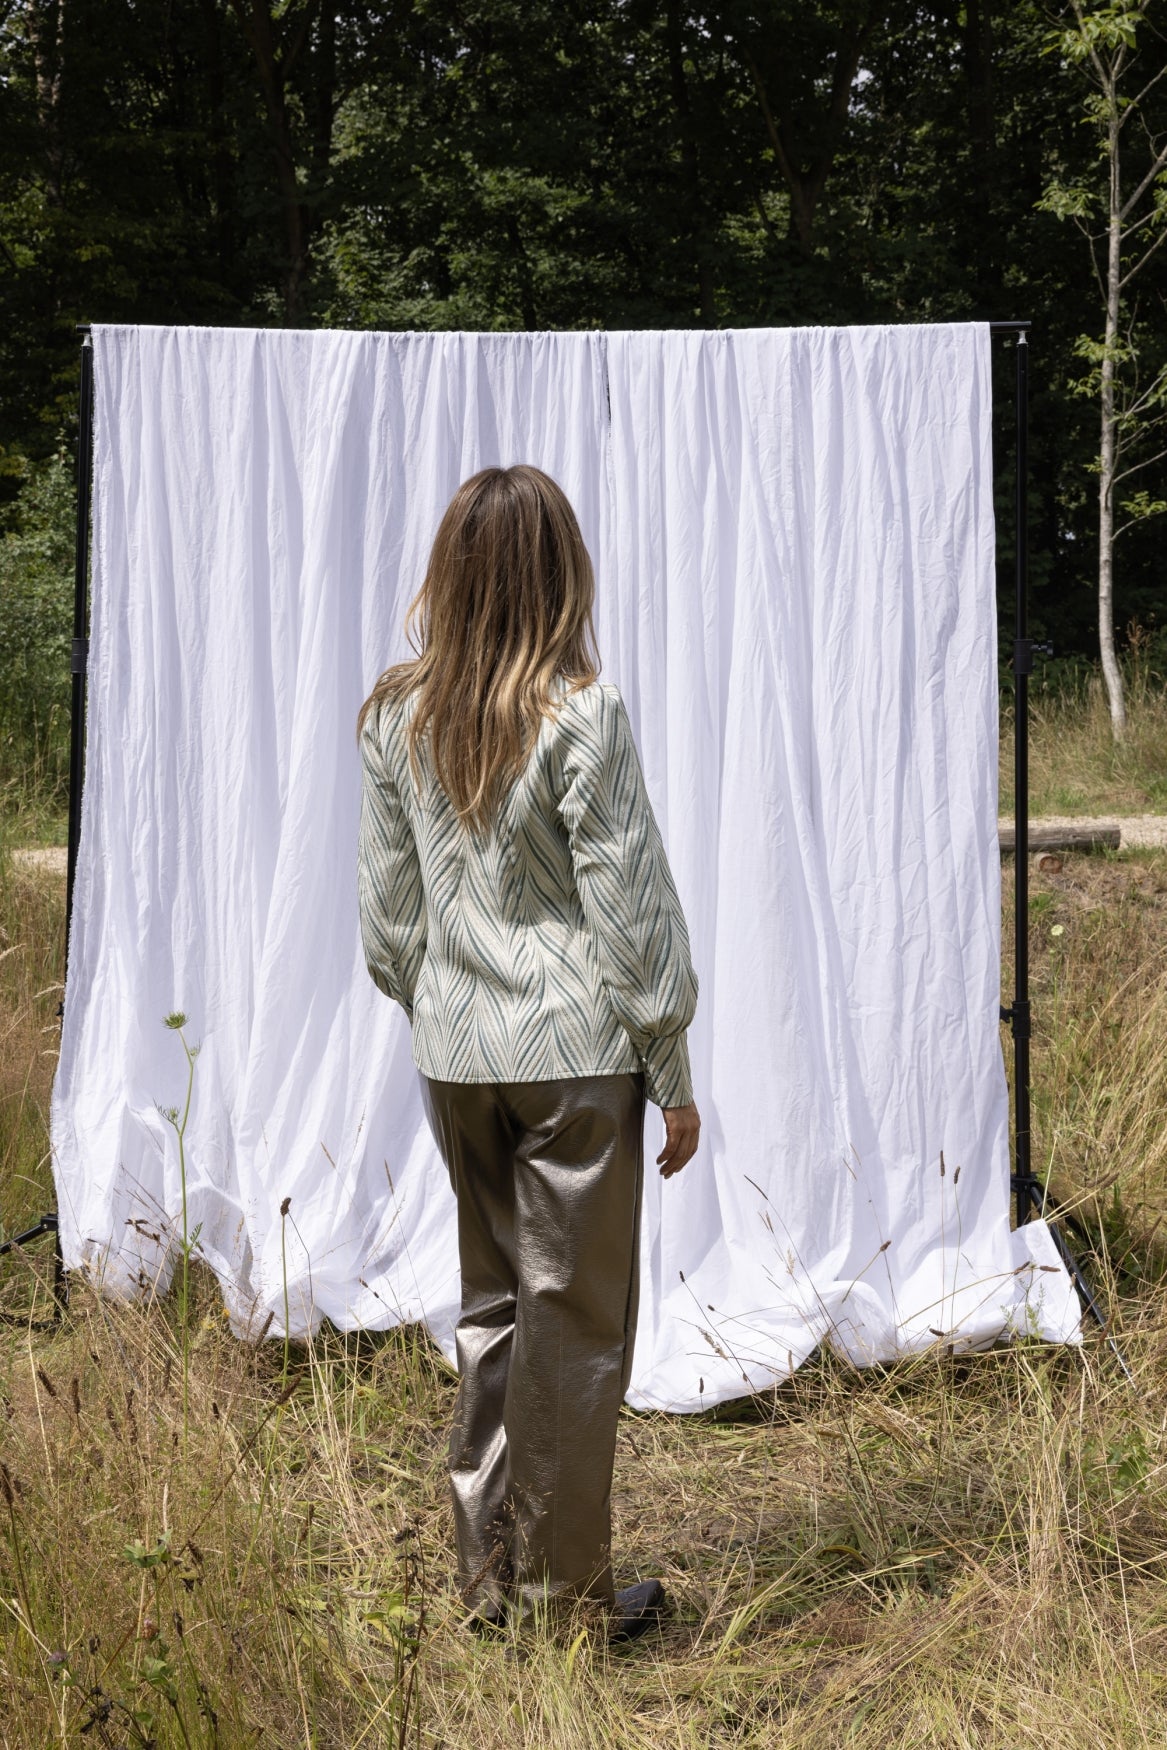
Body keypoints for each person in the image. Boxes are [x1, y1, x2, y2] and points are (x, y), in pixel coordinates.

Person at [356, 464, 700, 1642]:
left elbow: (388, 924)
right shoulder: (580, 715)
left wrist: (450, 1007)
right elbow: (631, 912)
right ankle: (562, 1611)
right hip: (575, 1064)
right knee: (578, 1328)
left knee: (496, 1310)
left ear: (452, 574)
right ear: (560, 573)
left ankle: (489, 1586)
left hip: (458, 1060)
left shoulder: (396, 716)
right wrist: (670, 1066)